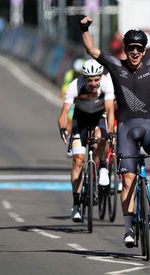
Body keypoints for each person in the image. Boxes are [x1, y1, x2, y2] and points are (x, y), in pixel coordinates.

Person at [79, 15, 150, 247]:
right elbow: (91, 49)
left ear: (144, 50)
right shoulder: (116, 66)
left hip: (148, 126)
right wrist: (84, 28)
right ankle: (129, 229)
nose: (135, 52)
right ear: (126, 49)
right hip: (126, 129)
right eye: (131, 48)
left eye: (139, 49)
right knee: (128, 180)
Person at [57, 59, 115, 222]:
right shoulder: (75, 86)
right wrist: (62, 128)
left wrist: (110, 132)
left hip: (99, 118)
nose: (94, 83)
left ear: (100, 76)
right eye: (90, 80)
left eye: (96, 79)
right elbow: (64, 113)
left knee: (101, 137)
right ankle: (76, 204)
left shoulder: (106, 84)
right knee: (78, 161)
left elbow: (110, 110)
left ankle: (103, 166)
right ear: (84, 78)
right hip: (80, 121)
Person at [60, 58, 85, 157]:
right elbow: (65, 88)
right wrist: (64, 99)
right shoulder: (69, 74)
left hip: (84, 100)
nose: (77, 74)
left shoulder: (86, 76)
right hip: (73, 99)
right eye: (76, 72)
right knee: (70, 121)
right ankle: (71, 140)